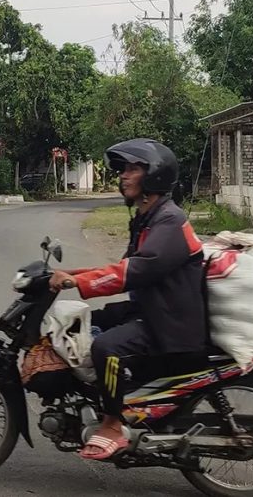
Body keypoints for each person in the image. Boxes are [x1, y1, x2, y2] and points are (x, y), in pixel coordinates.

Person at [48, 138, 206, 461]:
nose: (123, 175)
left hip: (171, 325)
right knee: (100, 318)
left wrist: (76, 281)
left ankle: (111, 425)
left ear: (155, 176)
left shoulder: (170, 222)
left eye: (133, 169)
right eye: (123, 169)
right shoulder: (149, 218)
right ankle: (108, 398)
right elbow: (120, 267)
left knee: (106, 348)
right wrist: (68, 273)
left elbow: (132, 272)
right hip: (157, 310)